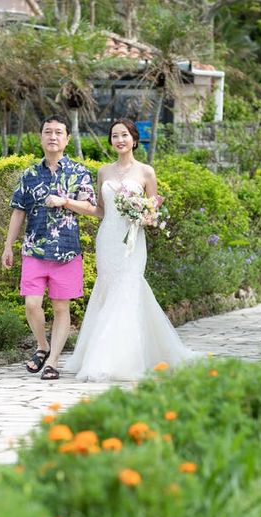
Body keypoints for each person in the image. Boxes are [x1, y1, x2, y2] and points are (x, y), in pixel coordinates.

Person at [57, 118, 200, 382]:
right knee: (108, 291)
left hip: (133, 243)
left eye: (124, 135)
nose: (120, 140)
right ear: (111, 141)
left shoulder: (146, 172)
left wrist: (144, 216)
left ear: (134, 139)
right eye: (115, 136)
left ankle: (124, 359)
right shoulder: (103, 172)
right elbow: (100, 210)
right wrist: (68, 203)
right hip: (108, 239)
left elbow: (153, 210)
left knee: (129, 289)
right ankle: (102, 355)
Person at [1, 114, 97, 380]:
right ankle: (42, 346)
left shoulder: (78, 172)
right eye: (48, 132)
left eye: (58, 132)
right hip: (34, 249)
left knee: (60, 307)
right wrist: (8, 246)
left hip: (67, 251)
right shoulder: (30, 174)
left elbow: (91, 208)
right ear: (41, 137)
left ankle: (53, 361)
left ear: (67, 138)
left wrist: (65, 201)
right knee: (32, 304)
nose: (53, 137)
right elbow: (18, 212)